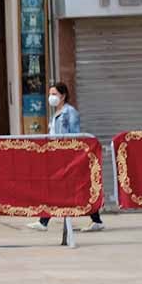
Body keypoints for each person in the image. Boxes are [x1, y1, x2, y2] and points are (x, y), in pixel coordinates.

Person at [27, 82, 104, 233]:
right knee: (59, 188)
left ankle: (44, 221)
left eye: (54, 94)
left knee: (69, 187)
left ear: (63, 96)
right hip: (56, 155)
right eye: (50, 94)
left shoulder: (70, 112)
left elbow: (75, 135)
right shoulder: (56, 113)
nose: (51, 97)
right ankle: (95, 220)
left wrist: (73, 154)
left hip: (67, 156)